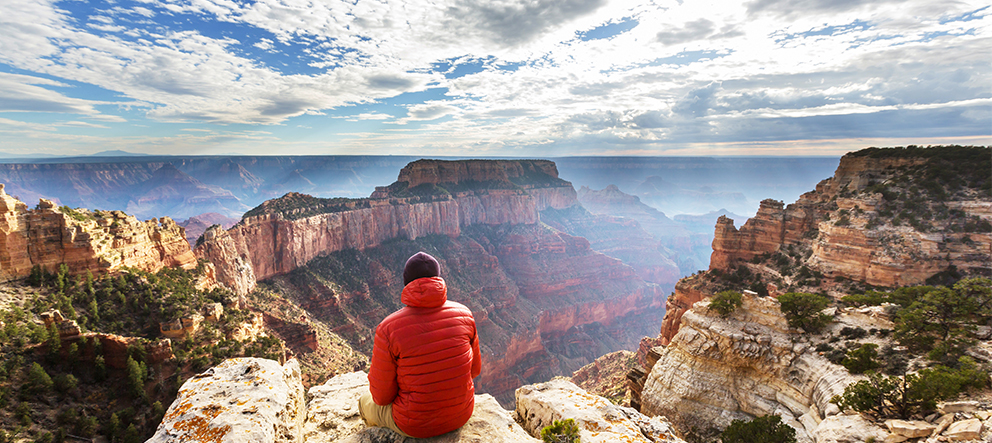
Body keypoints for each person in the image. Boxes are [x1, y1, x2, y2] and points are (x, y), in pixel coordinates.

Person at [359, 251, 482, 438]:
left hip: (414, 425)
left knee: (364, 401)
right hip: (461, 414)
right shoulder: (464, 314)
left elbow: (382, 397)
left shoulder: (388, 328)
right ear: (438, 278)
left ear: (406, 282)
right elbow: (474, 371)